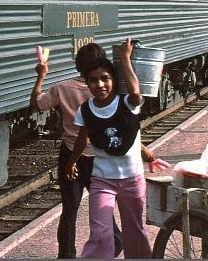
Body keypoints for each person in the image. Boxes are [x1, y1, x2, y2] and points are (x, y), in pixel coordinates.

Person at [31, 43, 143, 258]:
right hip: (101, 157)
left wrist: (41, 75)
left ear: (77, 65)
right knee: (103, 208)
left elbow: (37, 104)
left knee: (69, 211)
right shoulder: (111, 89)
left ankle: (66, 256)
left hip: (71, 153)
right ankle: (115, 241)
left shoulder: (62, 88)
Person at [65, 38, 170, 259]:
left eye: (105, 79)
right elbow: (82, 139)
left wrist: (125, 58)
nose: (100, 85)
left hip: (132, 180)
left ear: (114, 79)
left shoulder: (126, 104)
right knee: (100, 233)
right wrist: (72, 161)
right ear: (87, 83)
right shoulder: (85, 110)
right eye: (93, 81)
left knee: (134, 230)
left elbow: (135, 94)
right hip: (102, 180)